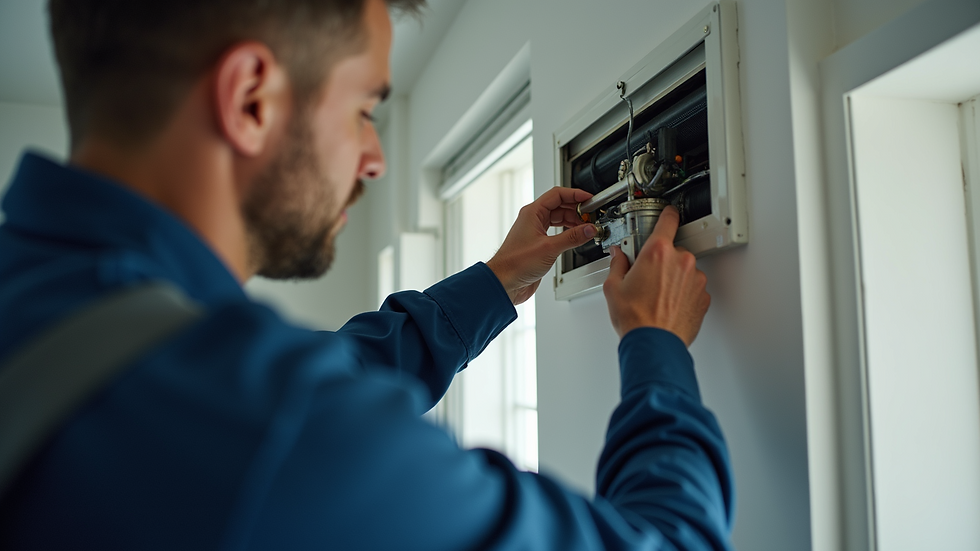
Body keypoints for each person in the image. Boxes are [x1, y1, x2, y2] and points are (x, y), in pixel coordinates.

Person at [0, 0, 733, 548]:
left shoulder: (51, 301)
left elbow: (283, 377)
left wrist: (496, 280)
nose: (374, 158)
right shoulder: (278, 431)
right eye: (362, 110)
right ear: (251, 98)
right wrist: (655, 347)